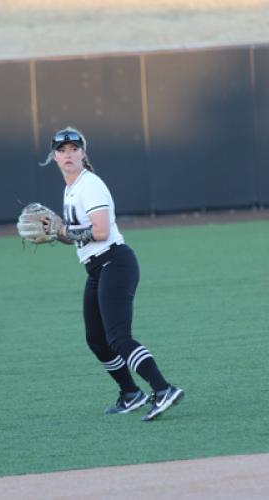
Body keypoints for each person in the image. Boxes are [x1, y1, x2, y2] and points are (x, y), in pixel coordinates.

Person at [41, 126, 184, 421]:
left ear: (83, 153)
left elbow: (101, 231)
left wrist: (64, 229)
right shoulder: (70, 189)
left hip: (115, 263)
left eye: (73, 149)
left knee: (118, 337)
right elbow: (79, 237)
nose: (68, 154)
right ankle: (131, 393)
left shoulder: (89, 184)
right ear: (54, 157)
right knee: (96, 338)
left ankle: (163, 389)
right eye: (62, 150)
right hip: (97, 267)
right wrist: (56, 233)